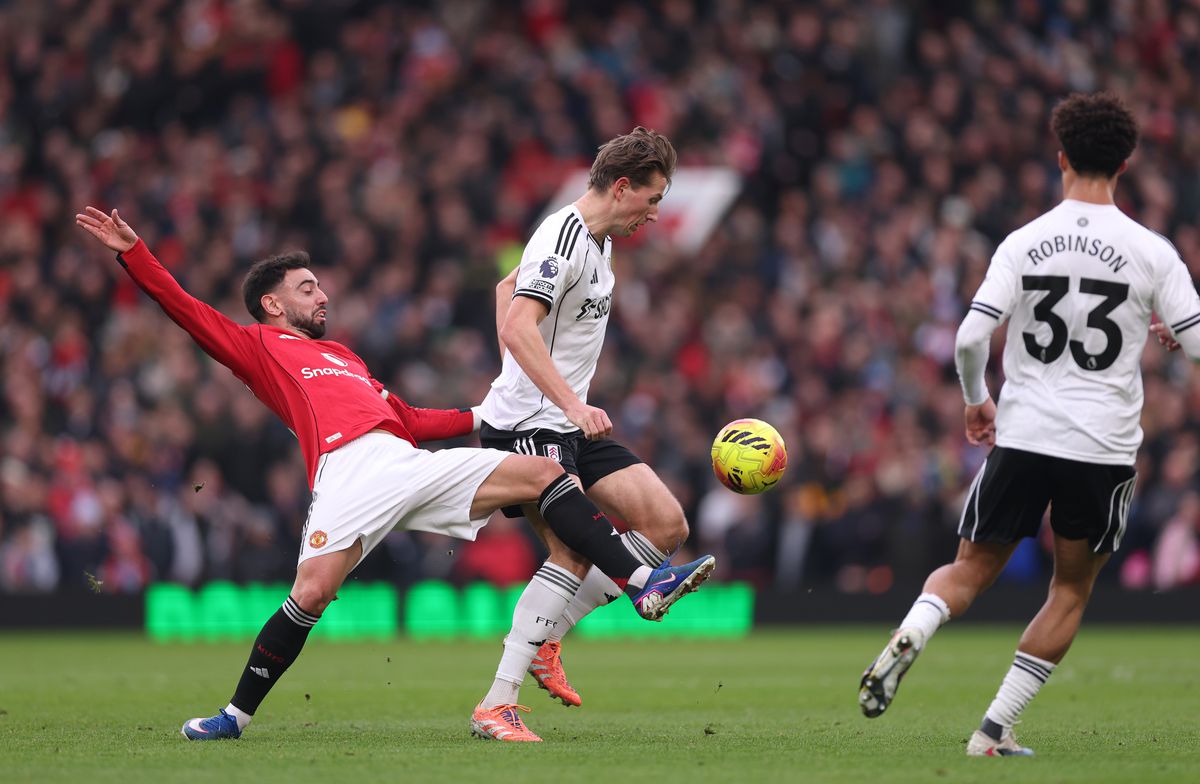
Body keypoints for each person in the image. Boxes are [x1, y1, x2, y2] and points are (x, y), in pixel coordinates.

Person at [74, 206, 717, 742]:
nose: (322, 294)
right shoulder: (258, 347)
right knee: (312, 596)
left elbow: (405, 418)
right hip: (347, 476)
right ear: (270, 304)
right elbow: (184, 309)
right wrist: (135, 254)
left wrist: (477, 413)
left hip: (404, 463)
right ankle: (234, 716)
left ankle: (641, 580)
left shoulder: (344, 357)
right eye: (307, 288)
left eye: (320, 286)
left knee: (543, 475)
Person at [856, 92, 1200, 757]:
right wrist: (1173, 336)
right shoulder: (1150, 250)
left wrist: (975, 399)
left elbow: (966, 339)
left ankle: (913, 635)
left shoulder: (1025, 241)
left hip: (1025, 433)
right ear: (1125, 163)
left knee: (965, 571)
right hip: (1102, 446)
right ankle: (991, 731)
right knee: (1070, 587)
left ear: (1061, 155)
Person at [470, 127, 713, 742]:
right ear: (622, 186)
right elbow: (520, 328)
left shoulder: (599, 243)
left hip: (567, 420)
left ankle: (550, 636)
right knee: (572, 553)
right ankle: (497, 703)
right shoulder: (563, 236)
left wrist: (569, 407)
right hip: (530, 424)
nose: (655, 214)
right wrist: (569, 402)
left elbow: (505, 291)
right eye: (653, 199)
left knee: (666, 526)